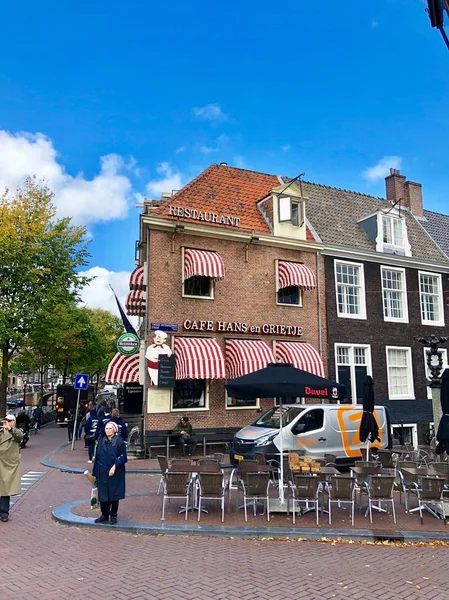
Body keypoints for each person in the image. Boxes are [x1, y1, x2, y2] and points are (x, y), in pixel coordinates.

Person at [92, 421, 127, 525]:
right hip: (102, 472)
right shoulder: (101, 441)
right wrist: (94, 473)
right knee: (103, 493)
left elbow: (124, 457)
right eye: (106, 429)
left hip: (115, 472)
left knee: (114, 493)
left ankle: (113, 515)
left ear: (114, 430)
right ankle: (104, 514)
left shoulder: (119, 442)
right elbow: (97, 459)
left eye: (110, 429)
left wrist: (115, 466)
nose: (108, 431)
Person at [0, 414, 23, 522]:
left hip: (8, 465)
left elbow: (19, 436)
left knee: (5, 490)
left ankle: (4, 513)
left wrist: (11, 429)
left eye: (9, 421)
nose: (7, 423)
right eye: (5, 420)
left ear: (14, 422)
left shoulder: (17, 432)